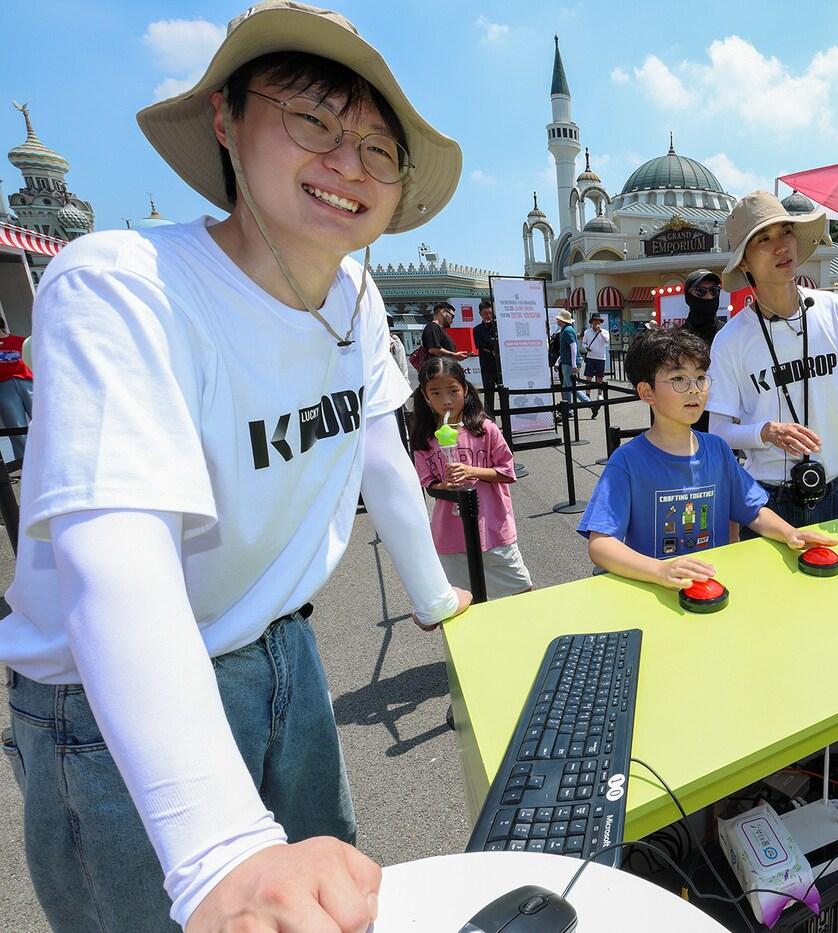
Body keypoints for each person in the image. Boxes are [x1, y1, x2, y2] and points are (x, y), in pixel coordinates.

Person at [0, 6, 472, 929]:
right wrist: (220, 846)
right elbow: (118, 560)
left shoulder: (359, 293)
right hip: (109, 698)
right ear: (226, 119)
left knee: (326, 907)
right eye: (312, 120)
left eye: (380, 148)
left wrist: (437, 599)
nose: (349, 163)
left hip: (282, 646)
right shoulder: (123, 283)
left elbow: (380, 446)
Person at [579, 327, 835, 584]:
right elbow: (601, 544)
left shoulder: (717, 449)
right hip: (656, 591)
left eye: (701, 377)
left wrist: (790, 533)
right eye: (678, 379)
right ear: (646, 392)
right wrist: (659, 570)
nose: (694, 390)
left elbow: (753, 511)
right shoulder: (627, 461)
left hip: (715, 585)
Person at [705, 191, 838, 529]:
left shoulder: (836, 310)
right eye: (764, 239)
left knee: (835, 583)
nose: (781, 246)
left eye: (786, 232)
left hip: (834, 492)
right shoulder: (731, 340)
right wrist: (765, 432)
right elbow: (718, 431)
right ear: (744, 263)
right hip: (766, 501)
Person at [411, 357, 533, 597]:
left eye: (453, 391)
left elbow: (507, 472)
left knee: (521, 592)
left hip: (493, 529)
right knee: (461, 599)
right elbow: (428, 483)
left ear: (465, 390)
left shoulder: (485, 429)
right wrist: (443, 485)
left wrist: (471, 471)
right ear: (425, 397)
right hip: (450, 535)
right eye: (435, 393)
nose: (446, 400)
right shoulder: (424, 438)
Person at [681, 268, 724, 432]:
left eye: (714, 291)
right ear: (688, 297)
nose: (709, 297)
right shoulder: (678, 339)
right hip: (690, 421)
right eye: (700, 292)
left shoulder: (728, 335)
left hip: (724, 419)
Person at [0, 307, 34, 463]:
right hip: (4, 388)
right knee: (17, 429)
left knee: (44, 420)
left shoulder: (21, 341)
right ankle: (25, 465)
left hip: (29, 383)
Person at [554, 308, 588, 413]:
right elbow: (566, 349)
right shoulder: (566, 330)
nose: (557, 321)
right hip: (567, 362)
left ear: (562, 321)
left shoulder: (567, 331)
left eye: (559, 319)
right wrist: (558, 362)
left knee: (571, 387)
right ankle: (568, 409)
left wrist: (573, 364)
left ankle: (590, 404)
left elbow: (573, 346)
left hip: (568, 363)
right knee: (566, 387)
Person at [474, 295, 501, 412]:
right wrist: (491, 351)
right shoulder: (477, 329)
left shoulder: (498, 326)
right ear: (480, 314)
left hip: (500, 367)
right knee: (489, 394)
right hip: (487, 366)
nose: (488, 316)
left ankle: (507, 417)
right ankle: (490, 419)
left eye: (490, 313)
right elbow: (479, 345)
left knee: (503, 393)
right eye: (485, 313)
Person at [582, 312, 610, 417]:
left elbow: (606, 341)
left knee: (600, 377)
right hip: (590, 357)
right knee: (588, 376)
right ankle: (588, 394)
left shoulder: (604, 332)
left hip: (600, 357)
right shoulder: (587, 332)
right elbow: (584, 343)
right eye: (594, 321)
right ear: (592, 322)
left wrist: (600, 332)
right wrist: (585, 348)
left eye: (598, 321)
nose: (596, 323)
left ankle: (599, 393)